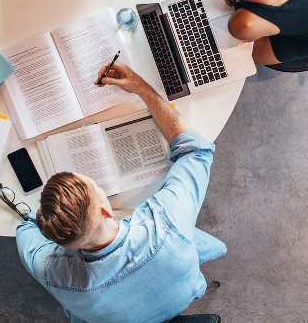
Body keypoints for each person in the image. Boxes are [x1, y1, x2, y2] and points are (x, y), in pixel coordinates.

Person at [12, 63, 225, 323]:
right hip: (183, 294)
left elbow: (25, 232)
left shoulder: (51, 272)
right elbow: (196, 150)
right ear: (104, 209)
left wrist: (41, 220)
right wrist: (142, 89)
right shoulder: (166, 223)